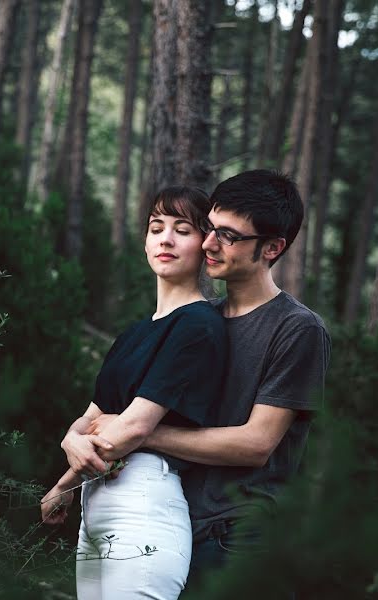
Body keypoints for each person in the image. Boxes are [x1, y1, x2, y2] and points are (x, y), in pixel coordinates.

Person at [82, 170, 331, 588]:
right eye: (210, 228)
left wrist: (141, 434)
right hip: (174, 525)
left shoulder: (297, 329)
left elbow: (255, 445)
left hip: (240, 535)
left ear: (272, 248)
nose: (209, 243)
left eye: (229, 236)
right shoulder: (199, 320)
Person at [40, 186, 228, 599]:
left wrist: (63, 484)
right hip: (98, 505)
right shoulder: (135, 333)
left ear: (205, 245)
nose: (165, 239)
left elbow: (132, 429)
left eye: (182, 230)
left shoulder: (198, 325)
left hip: (144, 503)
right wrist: (69, 438)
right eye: (156, 227)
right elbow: (93, 416)